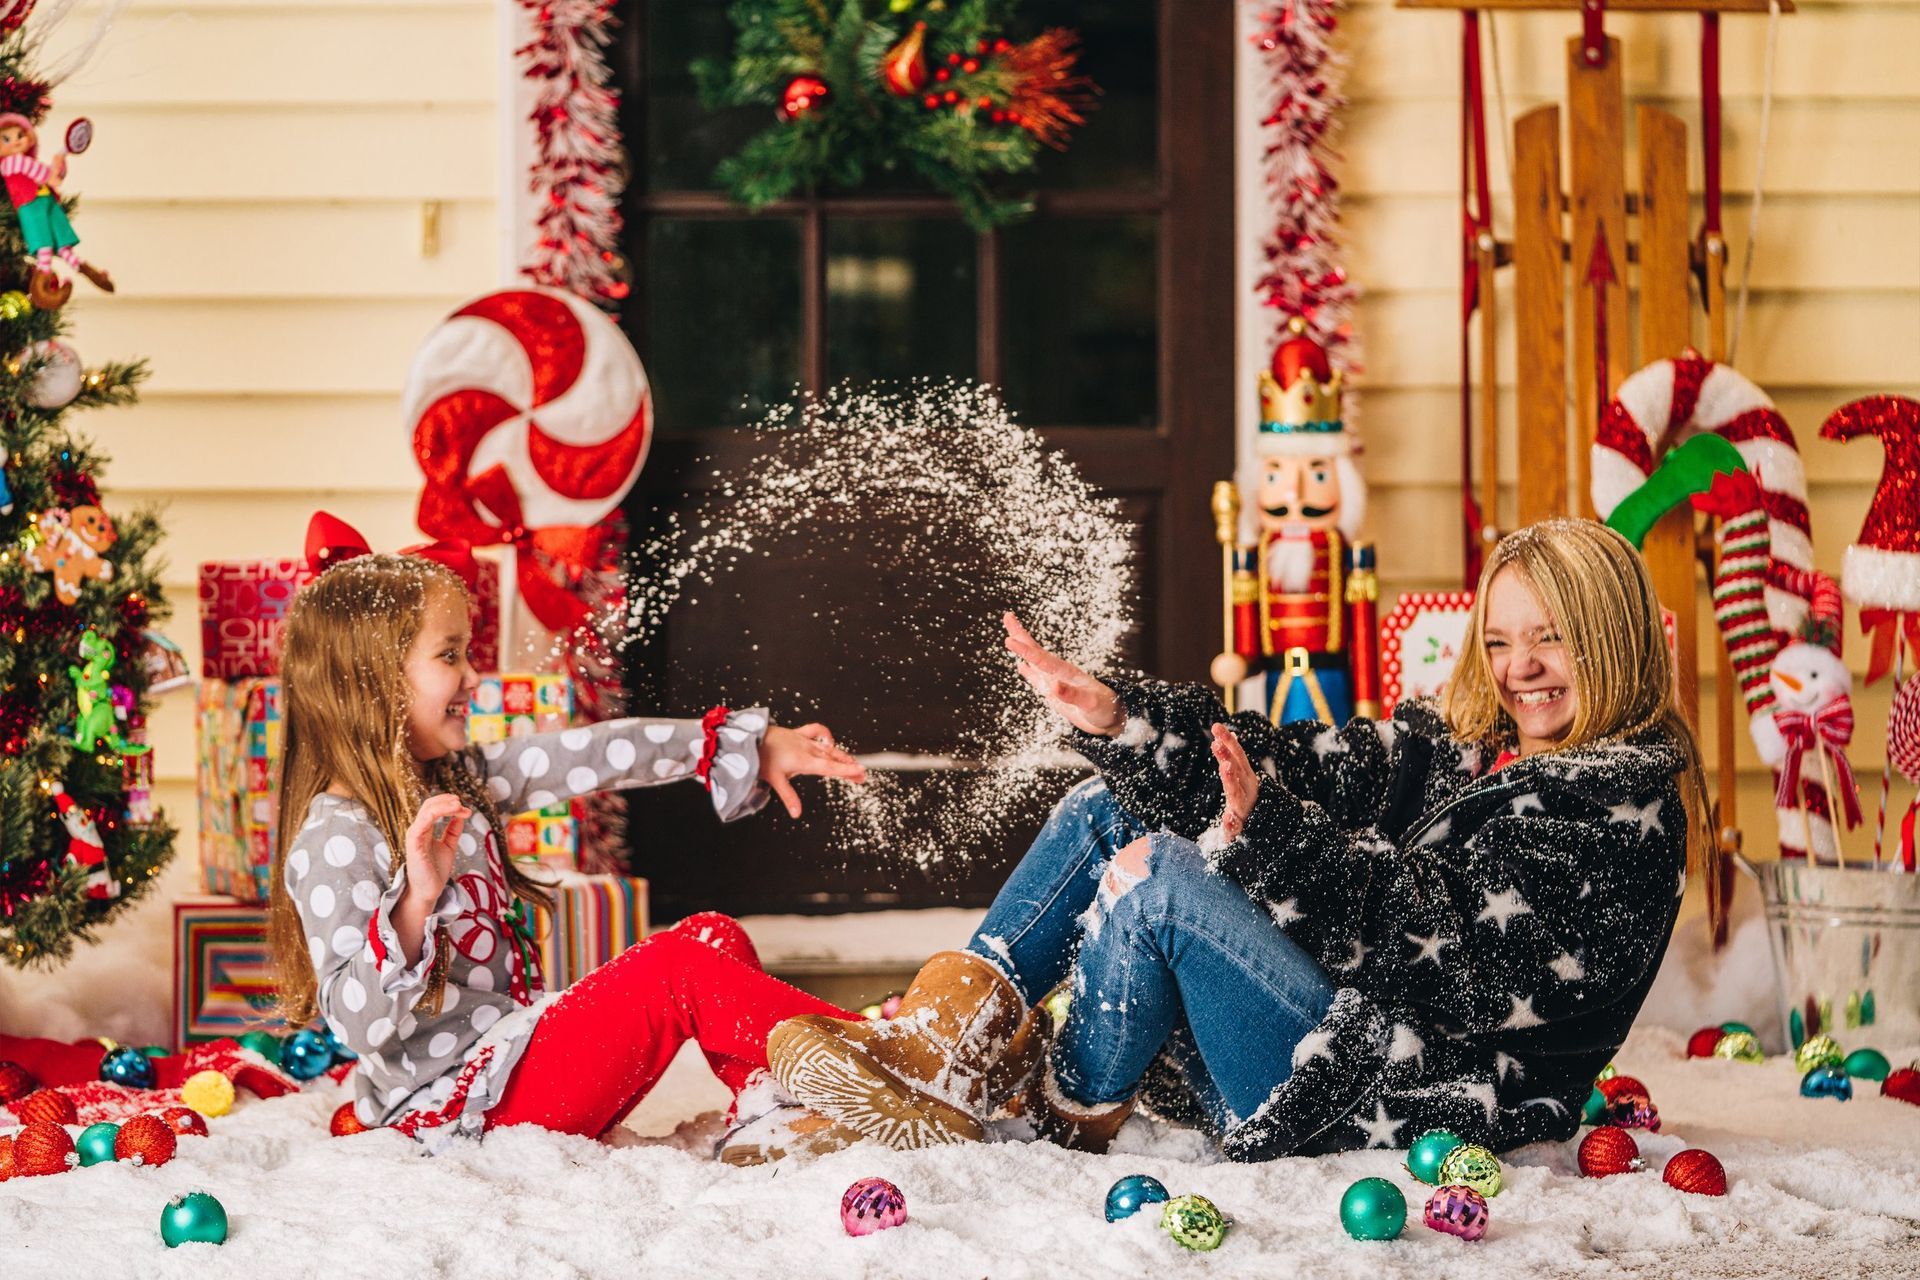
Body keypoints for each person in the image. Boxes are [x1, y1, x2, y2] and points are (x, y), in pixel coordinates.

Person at [767, 518, 1713, 1160]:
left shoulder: (1620, 822)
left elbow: (1450, 957)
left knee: (1160, 883)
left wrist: (1277, 839)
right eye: (1501, 642)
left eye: (1552, 639)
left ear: (1616, 638)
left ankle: (1056, 1114)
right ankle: (952, 1042)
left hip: (1371, 1090)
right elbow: (1304, 763)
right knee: (1111, 809)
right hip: (1334, 1029)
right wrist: (1123, 718)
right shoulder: (1473, 753)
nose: (1522, 669)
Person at [268, 551, 868, 1161]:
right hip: (461, 1113)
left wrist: (745, 745)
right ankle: (878, 1056)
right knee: (673, 971)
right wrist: (416, 901)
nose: (474, 679)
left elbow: (598, 752)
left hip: (513, 1061)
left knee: (711, 938)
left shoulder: (461, 778)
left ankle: (771, 1102)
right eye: (450, 656)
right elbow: (355, 1024)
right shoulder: (335, 837)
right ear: (368, 679)